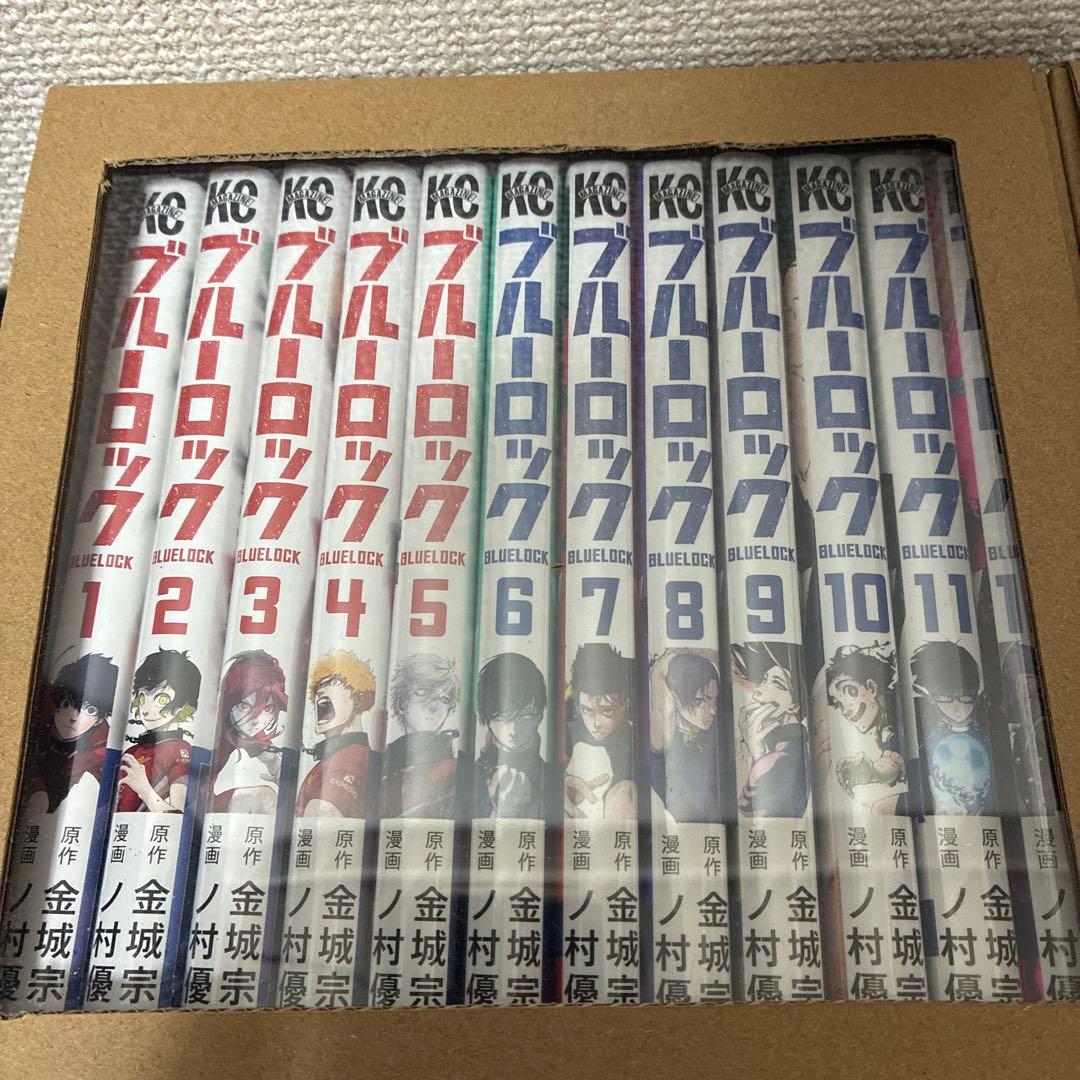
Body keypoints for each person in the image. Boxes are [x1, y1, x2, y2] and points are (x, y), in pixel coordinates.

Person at [23, 652, 118, 813]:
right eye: (67, 704)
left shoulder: (101, 755)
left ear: (100, 719)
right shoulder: (41, 720)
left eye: (90, 710)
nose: (74, 717)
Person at [910, 640, 992, 815]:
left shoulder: (987, 730)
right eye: (946, 697)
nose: (957, 708)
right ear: (932, 697)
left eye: (965, 698)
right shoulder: (925, 734)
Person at [116, 648, 200, 813]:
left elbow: (178, 815)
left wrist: (144, 790)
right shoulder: (133, 750)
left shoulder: (179, 750)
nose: (146, 710)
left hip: (147, 827)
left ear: (183, 705)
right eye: (142, 697)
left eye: (162, 699)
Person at [732, 641, 809, 818]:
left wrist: (756, 756)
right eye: (764, 680)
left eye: (777, 684)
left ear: (794, 706)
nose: (759, 690)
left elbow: (752, 812)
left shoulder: (784, 757)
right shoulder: (772, 745)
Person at [296, 650, 376, 818]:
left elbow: (326, 812)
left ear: (358, 699)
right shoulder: (341, 754)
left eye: (333, 682)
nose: (320, 692)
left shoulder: (350, 756)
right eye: (318, 688)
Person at [380, 653, 460, 819]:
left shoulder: (457, 768)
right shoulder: (382, 762)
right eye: (422, 692)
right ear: (401, 704)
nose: (433, 705)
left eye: (444, 698)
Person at [824, 645, 905, 803]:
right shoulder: (883, 729)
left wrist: (873, 772)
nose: (846, 709)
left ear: (872, 688)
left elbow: (896, 761)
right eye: (839, 703)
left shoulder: (892, 720)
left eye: (850, 691)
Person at [564, 643, 635, 822]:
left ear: (626, 705)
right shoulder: (567, 732)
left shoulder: (634, 740)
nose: (595, 723)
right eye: (587, 710)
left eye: (607, 711)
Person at [210, 650, 287, 814]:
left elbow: (275, 761)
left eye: (268, 708)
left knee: (265, 797)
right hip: (180, 806)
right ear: (228, 700)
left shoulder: (242, 731)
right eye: (244, 706)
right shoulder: (208, 729)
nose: (256, 721)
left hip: (203, 808)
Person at [649, 649, 722, 822]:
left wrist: (679, 651)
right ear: (675, 698)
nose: (712, 710)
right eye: (700, 702)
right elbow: (658, 742)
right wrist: (659, 671)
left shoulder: (714, 736)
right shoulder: (668, 736)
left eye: (714, 700)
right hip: (676, 820)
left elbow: (716, 656)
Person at [474, 653, 546, 819]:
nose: (514, 729)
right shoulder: (470, 776)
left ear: (539, 717)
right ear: (487, 718)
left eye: (525, 716)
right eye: (502, 717)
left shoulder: (553, 777)